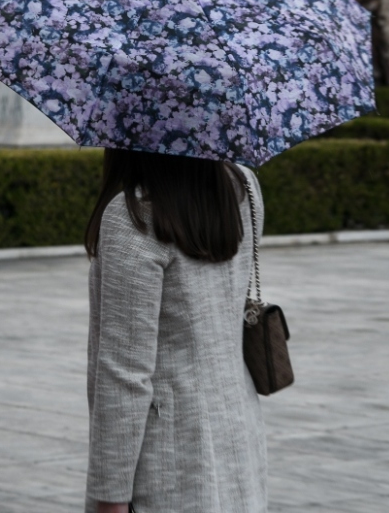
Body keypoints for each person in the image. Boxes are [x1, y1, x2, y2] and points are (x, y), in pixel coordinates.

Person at [83, 150, 267, 513]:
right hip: (239, 433)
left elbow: (125, 374)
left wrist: (110, 495)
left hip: (168, 459)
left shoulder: (134, 217)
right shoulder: (242, 185)